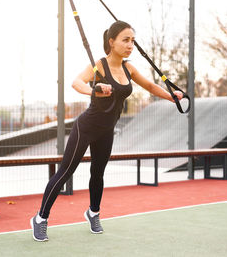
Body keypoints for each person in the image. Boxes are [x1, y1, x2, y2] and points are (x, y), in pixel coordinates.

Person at [31, 20, 183, 242]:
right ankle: (40, 218)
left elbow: (150, 86)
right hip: (87, 127)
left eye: (132, 40)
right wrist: (94, 89)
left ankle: (93, 213)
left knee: (98, 174)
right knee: (65, 171)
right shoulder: (99, 66)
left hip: (107, 130)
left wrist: (171, 96)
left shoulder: (129, 68)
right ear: (111, 42)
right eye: (125, 40)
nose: (130, 45)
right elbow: (76, 82)